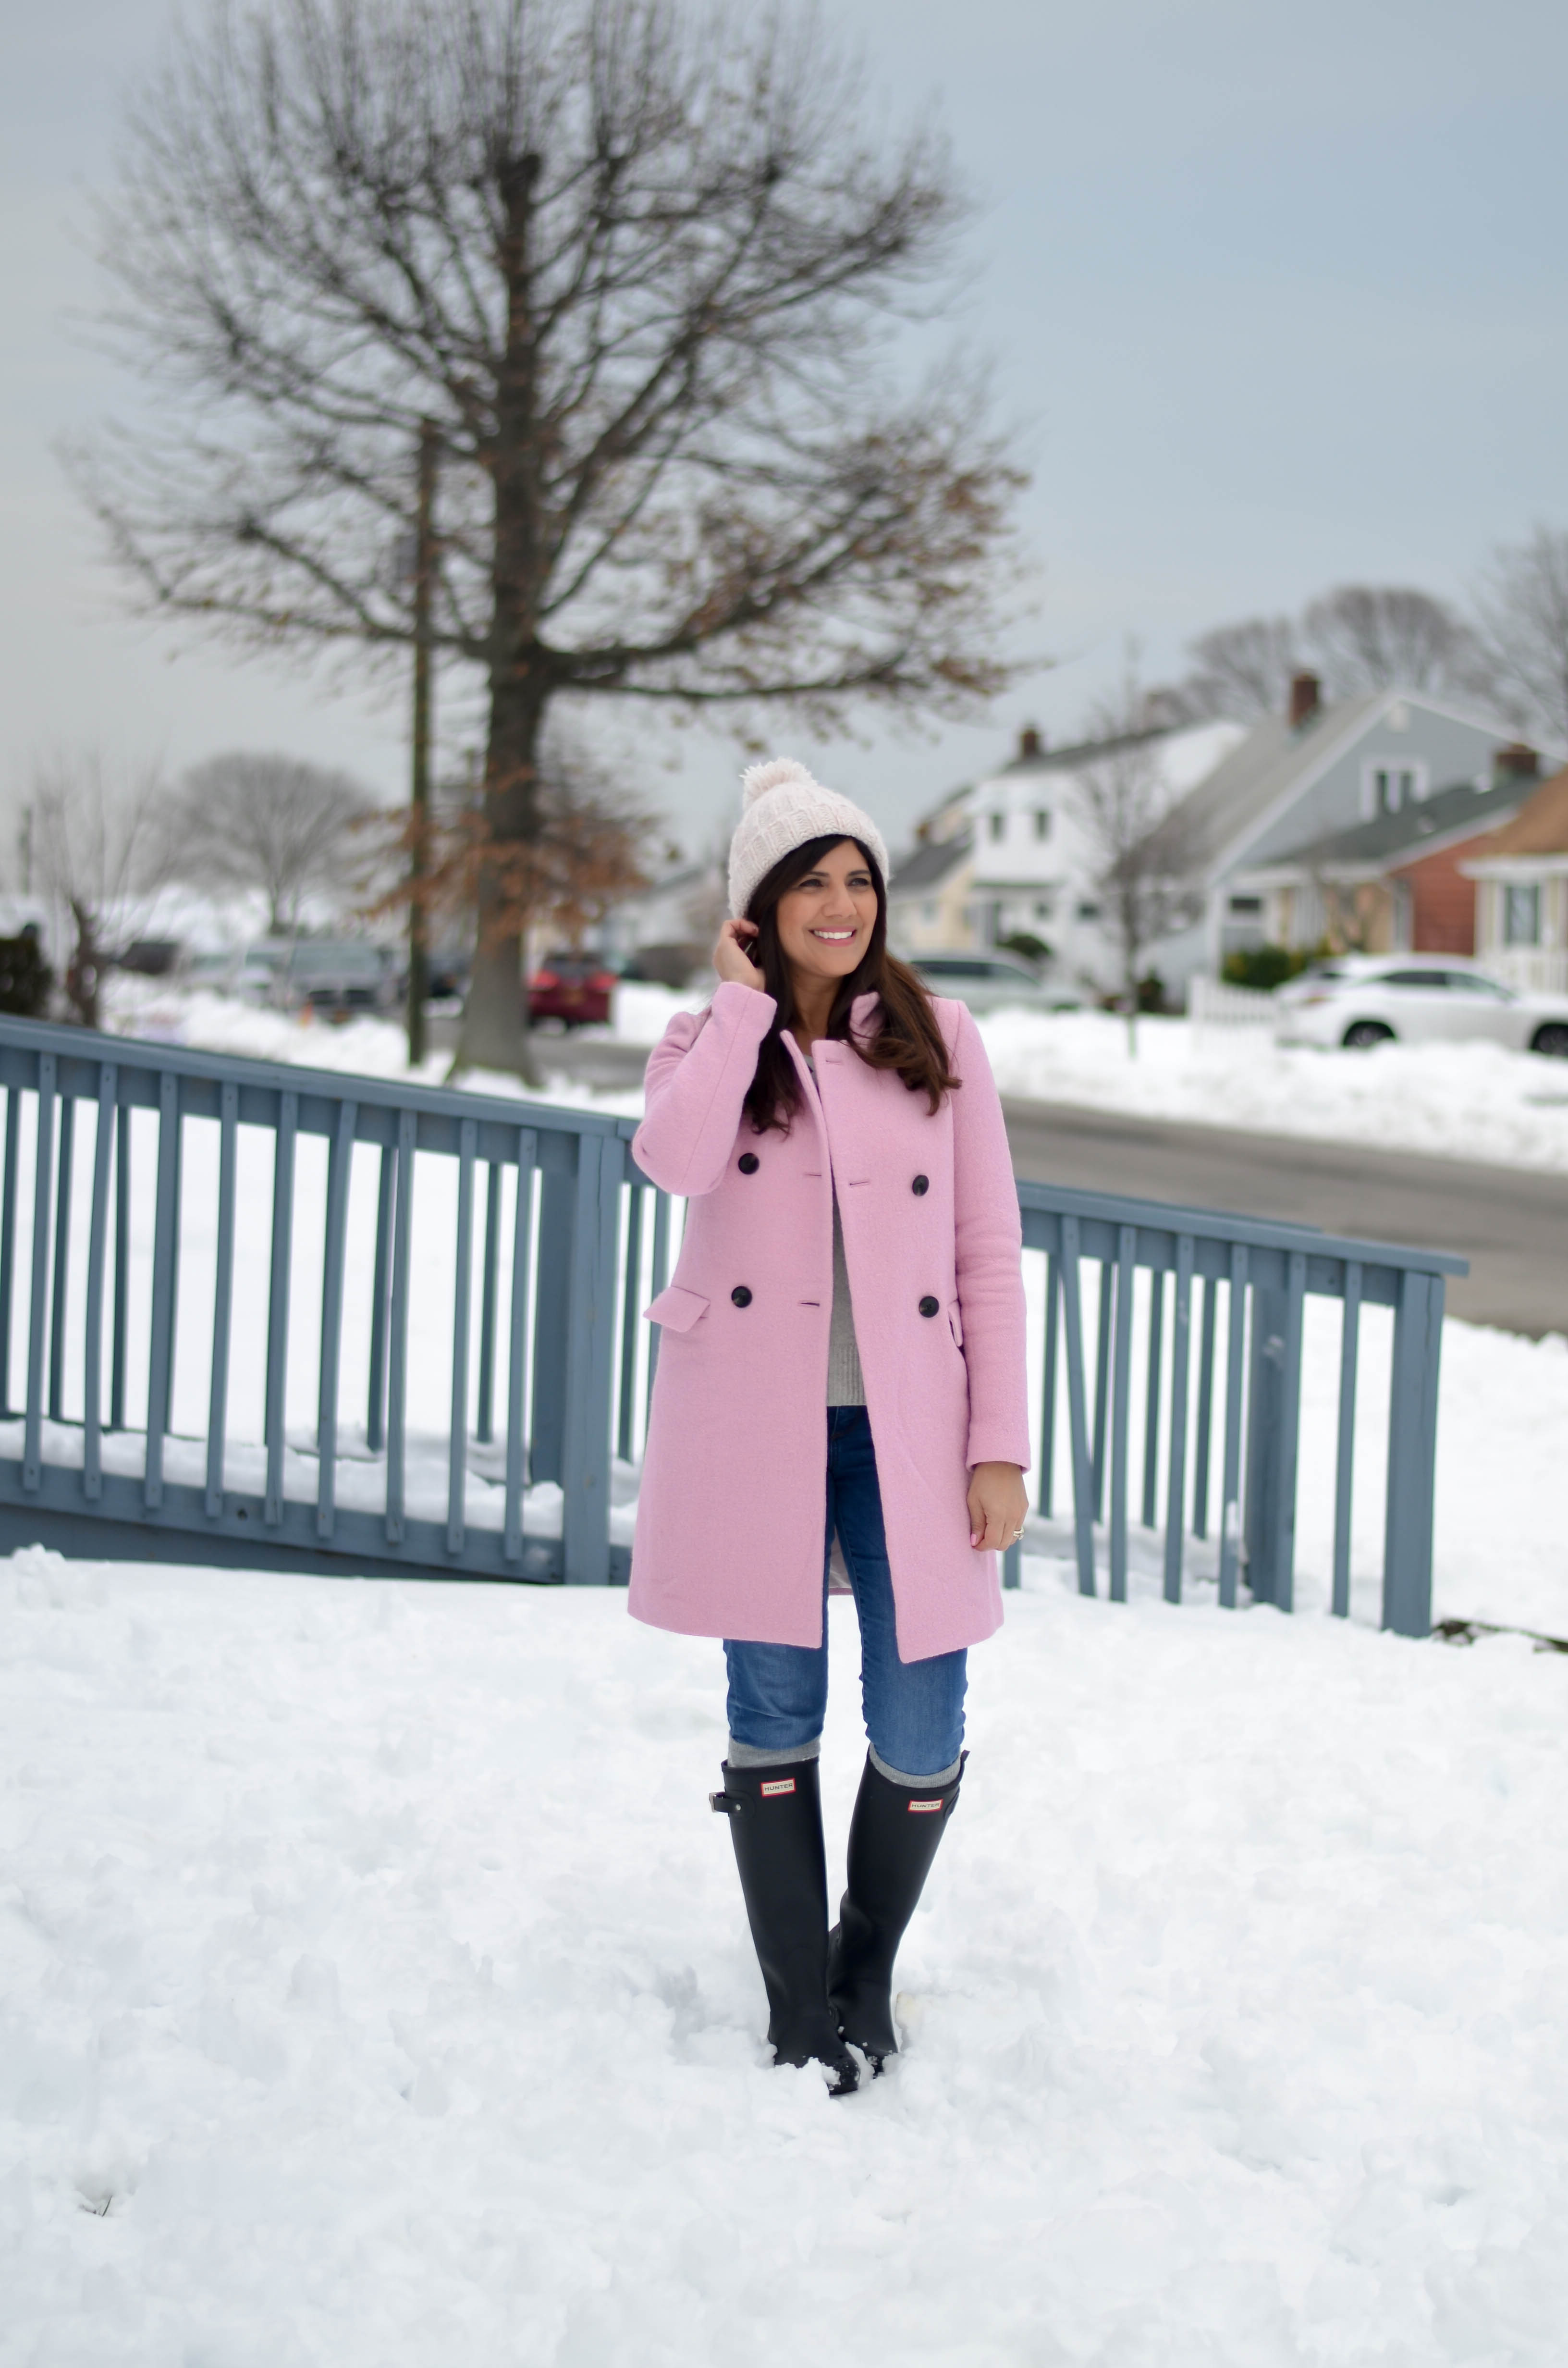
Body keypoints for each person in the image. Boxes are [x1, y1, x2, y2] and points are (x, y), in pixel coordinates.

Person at [629, 758, 1029, 2093]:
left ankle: (866, 1964)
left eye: (860, 880)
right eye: (813, 883)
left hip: (910, 1429)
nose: (844, 904)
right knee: (775, 1707)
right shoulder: (705, 1045)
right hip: (758, 1427)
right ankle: (801, 2006)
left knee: (922, 1723)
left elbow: (985, 1251)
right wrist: (742, 1014)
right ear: (760, 908)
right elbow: (674, 1164)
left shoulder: (940, 1036)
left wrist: (1001, 1447)